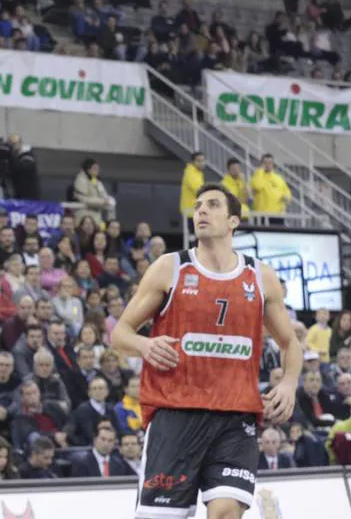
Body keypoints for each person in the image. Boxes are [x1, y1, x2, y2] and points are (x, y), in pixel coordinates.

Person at [112, 184, 301, 519]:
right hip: (175, 415)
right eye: (198, 205)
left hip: (236, 417)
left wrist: (288, 383)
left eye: (212, 205)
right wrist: (145, 344)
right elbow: (120, 333)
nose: (201, 210)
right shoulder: (171, 268)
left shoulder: (260, 276)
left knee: (227, 511)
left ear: (233, 221)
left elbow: (290, 343)